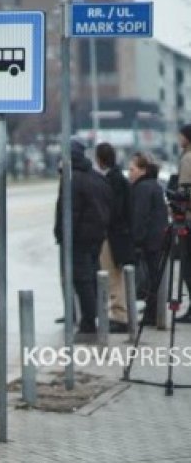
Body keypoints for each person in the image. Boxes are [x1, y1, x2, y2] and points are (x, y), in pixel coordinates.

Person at [53, 139, 112, 335]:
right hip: (96, 237)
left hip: (77, 239)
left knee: (82, 280)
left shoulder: (73, 179)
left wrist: (63, 235)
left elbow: (70, 212)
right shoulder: (95, 176)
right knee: (93, 277)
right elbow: (106, 205)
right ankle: (94, 315)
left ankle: (88, 321)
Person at [94, 142, 134, 333]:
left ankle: (119, 316)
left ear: (100, 160)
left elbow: (114, 210)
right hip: (120, 234)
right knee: (115, 275)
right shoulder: (119, 177)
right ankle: (120, 314)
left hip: (113, 235)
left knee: (113, 275)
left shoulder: (113, 180)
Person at [129, 152, 169, 326]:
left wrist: (136, 240)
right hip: (158, 239)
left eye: (132, 169)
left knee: (150, 278)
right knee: (154, 277)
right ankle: (153, 311)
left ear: (143, 170)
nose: (130, 173)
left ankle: (152, 314)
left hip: (149, 241)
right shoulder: (154, 185)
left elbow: (140, 216)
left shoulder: (142, 188)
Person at [176, 124, 191, 322]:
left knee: (187, 266)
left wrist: (178, 200)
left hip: (188, 219)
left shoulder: (188, 159)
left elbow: (186, 192)